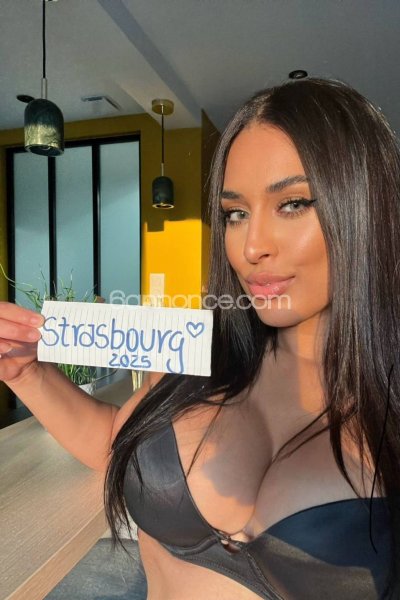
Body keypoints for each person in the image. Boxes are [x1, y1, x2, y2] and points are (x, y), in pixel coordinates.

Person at [0, 77, 398, 600]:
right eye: (236, 213)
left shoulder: (387, 402)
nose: (251, 246)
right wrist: (27, 373)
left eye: (293, 204)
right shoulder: (196, 349)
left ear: (366, 207)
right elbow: (114, 444)